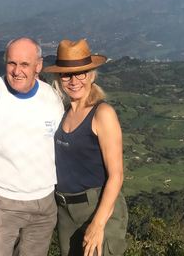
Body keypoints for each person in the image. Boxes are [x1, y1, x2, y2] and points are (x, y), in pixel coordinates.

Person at [0, 37, 64, 256]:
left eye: (25, 64)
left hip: (44, 207)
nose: (17, 71)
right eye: (12, 63)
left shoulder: (52, 98)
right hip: (1, 204)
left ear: (38, 65)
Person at [43, 40, 127, 256]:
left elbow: (116, 175)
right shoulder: (62, 114)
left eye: (81, 73)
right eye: (67, 74)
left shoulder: (102, 113)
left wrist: (98, 225)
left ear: (92, 75)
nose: (74, 80)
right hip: (65, 211)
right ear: (58, 78)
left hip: (97, 206)